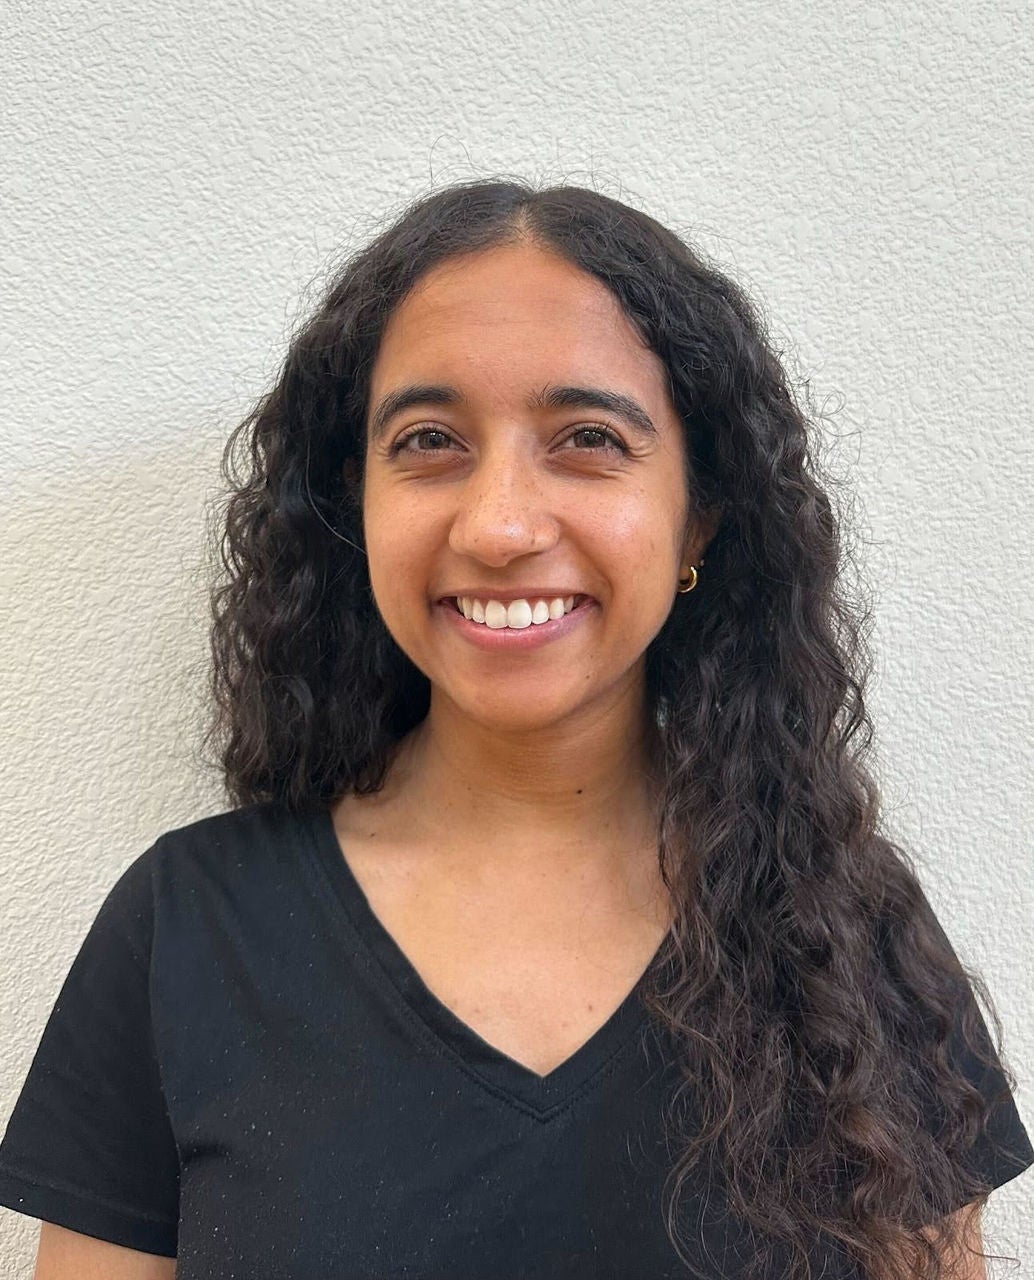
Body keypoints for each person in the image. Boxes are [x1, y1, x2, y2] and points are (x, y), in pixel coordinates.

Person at [0, 180, 1030, 1280]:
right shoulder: (185, 929)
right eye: (429, 440)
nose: (498, 526)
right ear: (356, 505)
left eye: (588, 438)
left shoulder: (843, 936)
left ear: (700, 515)